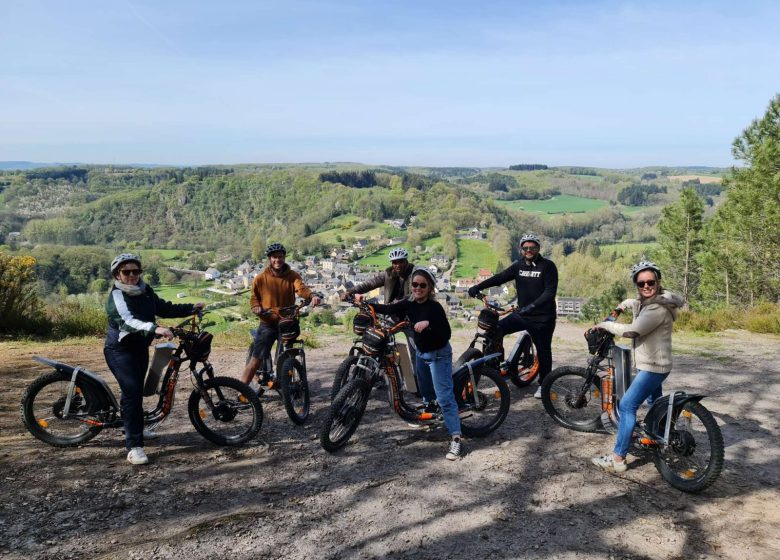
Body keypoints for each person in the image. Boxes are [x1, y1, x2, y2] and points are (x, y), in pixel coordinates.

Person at [104, 253, 204, 465]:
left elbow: (163, 307)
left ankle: (136, 428)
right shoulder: (116, 297)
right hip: (120, 351)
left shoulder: (144, 290)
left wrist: (190, 307)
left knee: (138, 391)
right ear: (117, 275)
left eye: (136, 271)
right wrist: (155, 328)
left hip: (139, 348)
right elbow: (128, 322)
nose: (132, 275)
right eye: (126, 272)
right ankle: (134, 447)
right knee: (131, 393)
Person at [591, 261, 684, 473]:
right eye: (641, 283)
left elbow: (633, 331)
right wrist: (623, 304)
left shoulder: (656, 309)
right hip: (655, 364)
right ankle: (656, 435)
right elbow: (639, 304)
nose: (646, 286)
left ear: (658, 282)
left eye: (650, 282)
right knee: (654, 401)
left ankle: (617, 458)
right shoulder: (654, 301)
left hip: (652, 367)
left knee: (626, 406)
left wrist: (605, 325)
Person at [370, 267, 463, 460]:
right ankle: (430, 414)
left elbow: (446, 334)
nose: (418, 288)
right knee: (426, 391)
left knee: (444, 397)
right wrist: (367, 305)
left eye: (422, 285)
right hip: (421, 354)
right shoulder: (408, 303)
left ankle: (456, 438)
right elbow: (389, 309)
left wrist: (428, 324)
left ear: (429, 288)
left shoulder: (434, 308)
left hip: (439, 355)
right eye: (415, 284)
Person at [467, 233, 558, 398]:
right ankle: (496, 366)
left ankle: (545, 385)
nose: (529, 250)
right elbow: (500, 278)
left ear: (538, 248)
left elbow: (549, 293)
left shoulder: (548, 266)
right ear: (521, 249)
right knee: (496, 330)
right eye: (526, 248)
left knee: (544, 351)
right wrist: (478, 287)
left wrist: (531, 306)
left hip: (542, 319)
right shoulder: (518, 266)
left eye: (532, 247)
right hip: (522, 314)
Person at [241, 243, 321, 388]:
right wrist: (256, 307)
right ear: (269, 259)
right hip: (267, 322)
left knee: (287, 356)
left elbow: (301, 289)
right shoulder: (260, 278)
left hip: (287, 322)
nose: (277, 260)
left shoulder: (292, 276)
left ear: (284, 257)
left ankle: (285, 381)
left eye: (280, 257)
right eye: (274, 257)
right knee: (256, 360)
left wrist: (312, 295)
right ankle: (241, 392)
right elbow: (254, 298)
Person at [342, 246, 419, 366]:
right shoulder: (388, 274)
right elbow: (370, 284)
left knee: (416, 354)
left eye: (400, 261)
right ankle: (378, 372)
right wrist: (351, 291)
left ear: (406, 261)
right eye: (395, 262)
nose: (397, 265)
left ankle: (417, 379)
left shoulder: (415, 274)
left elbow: (410, 298)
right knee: (376, 340)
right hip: (392, 316)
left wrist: (386, 308)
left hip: (411, 319)